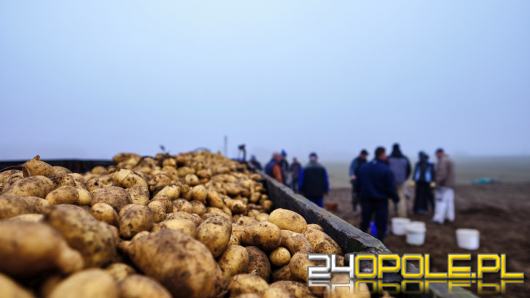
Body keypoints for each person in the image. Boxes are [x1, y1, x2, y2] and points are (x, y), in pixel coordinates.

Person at [357, 147, 399, 241]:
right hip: (381, 201)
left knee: (365, 221)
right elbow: (390, 187)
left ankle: (360, 241)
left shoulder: (364, 167)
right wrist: (395, 198)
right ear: (382, 154)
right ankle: (379, 243)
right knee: (381, 223)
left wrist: (358, 194)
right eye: (385, 154)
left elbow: (358, 184)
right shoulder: (386, 170)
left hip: (366, 199)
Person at [387, 143, 411, 217]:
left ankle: (390, 214)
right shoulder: (405, 158)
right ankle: (402, 214)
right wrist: (405, 178)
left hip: (391, 182)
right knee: (401, 198)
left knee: (390, 198)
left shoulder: (389, 158)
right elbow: (409, 170)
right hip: (401, 181)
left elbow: (385, 170)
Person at [432, 148, 455, 224]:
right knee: (449, 202)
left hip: (443, 185)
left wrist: (436, 183)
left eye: (436, 154)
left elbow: (442, 174)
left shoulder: (442, 161)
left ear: (440, 153)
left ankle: (438, 219)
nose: (436, 156)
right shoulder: (448, 160)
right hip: (450, 185)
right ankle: (450, 217)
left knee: (441, 201)